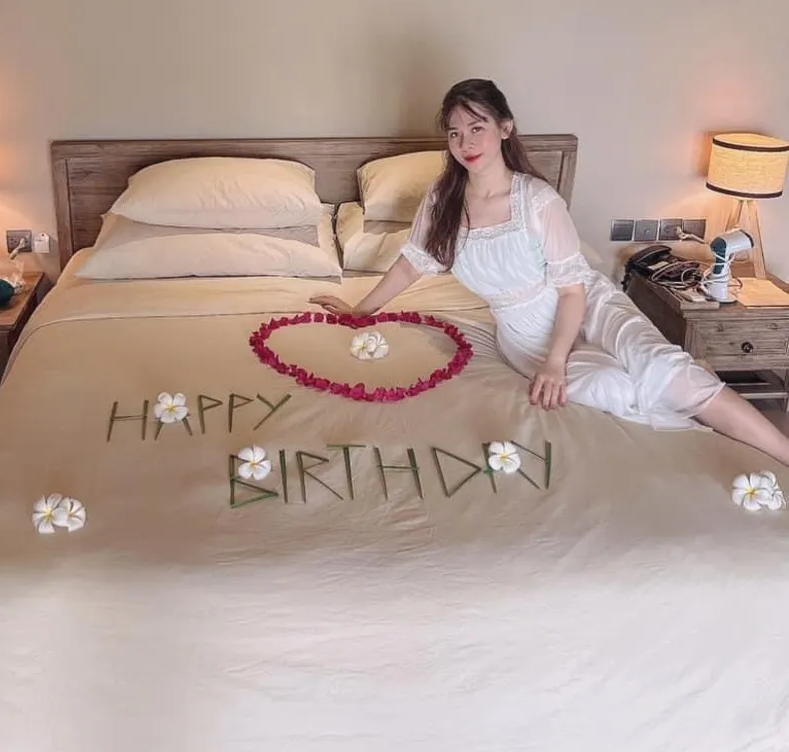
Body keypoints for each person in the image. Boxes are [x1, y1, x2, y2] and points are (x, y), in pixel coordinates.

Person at [312, 78, 789, 466]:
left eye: (477, 127)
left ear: (505, 128)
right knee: (609, 386)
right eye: (455, 133)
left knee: (664, 367)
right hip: (523, 331)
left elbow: (572, 291)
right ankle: (685, 408)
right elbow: (412, 263)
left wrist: (557, 361)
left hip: (584, 303)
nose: (465, 143)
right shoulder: (443, 200)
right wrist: (360, 311)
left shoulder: (537, 201)